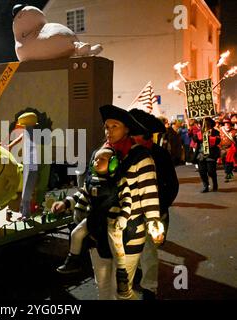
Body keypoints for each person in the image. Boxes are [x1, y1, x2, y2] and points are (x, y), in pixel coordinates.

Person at [56, 105, 163, 300]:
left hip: (129, 231)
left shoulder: (141, 157)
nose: (109, 131)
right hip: (98, 230)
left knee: (122, 289)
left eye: (115, 126)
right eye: (106, 127)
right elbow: (89, 187)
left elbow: (149, 192)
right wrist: (68, 203)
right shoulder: (99, 154)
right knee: (103, 286)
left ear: (127, 129)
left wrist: (154, 220)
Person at [53, 146, 133, 297]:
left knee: (117, 251)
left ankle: (122, 277)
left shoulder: (119, 181)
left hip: (112, 223)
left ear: (113, 163)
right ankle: (73, 259)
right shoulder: (90, 180)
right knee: (76, 234)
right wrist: (66, 203)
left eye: (102, 159)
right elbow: (81, 196)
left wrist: (123, 216)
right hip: (94, 223)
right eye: (95, 159)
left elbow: (127, 200)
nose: (96, 162)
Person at [129, 108, 179, 300]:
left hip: (154, 213)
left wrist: (157, 209)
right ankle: (139, 275)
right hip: (131, 212)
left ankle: (150, 289)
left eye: (135, 134)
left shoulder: (160, 155)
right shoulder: (126, 153)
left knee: (149, 250)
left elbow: (172, 186)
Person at [195, 117, 221, 192]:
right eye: (204, 123)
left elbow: (218, 140)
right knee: (202, 172)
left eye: (207, 123)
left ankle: (214, 183)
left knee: (211, 171)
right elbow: (194, 138)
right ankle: (205, 186)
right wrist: (199, 136)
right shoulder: (200, 132)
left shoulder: (215, 132)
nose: (205, 124)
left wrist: (208, 137)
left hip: (211, 154)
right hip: (201, 154)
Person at [219, 118, 236, 182]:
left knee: (229, 162)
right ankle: (229, 172)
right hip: (222, 148)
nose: (227, 125)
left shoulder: (234, 131)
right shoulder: (220, 130)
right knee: (224, 162)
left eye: (228, 123)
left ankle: (227, 174)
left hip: (231, 149)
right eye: (225, 123)